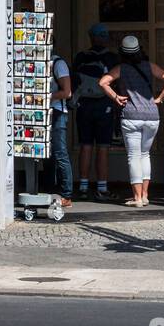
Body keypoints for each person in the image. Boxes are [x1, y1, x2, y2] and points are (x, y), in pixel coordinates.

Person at [99, 36, 164, 207]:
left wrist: (116, 97)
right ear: (140, 50)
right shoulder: (150, 66)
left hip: (131, 116)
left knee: (134, 156)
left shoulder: (121, 69)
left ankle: (137, 198)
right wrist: (160, 99)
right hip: (152, 116)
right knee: (144, 155)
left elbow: (103, 82)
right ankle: (146, 195)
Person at [72, 23, 119, 201]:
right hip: (104, 105)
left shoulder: (81, 57)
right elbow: (117, 82)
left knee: (85, 145)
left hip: (84, 105)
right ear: (103, 38)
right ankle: (102, 187)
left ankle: (83, 186)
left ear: (91, 38)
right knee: (103, 147)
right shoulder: (112, 58)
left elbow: (75, 79)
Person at [51, 50, 73, 208]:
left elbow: (67, 92)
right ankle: (51, 188)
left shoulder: (59, 63)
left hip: (57, 111)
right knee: (50, 154)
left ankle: (67, 194)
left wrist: (44, 96)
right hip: (45, 111)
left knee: (60, 153)